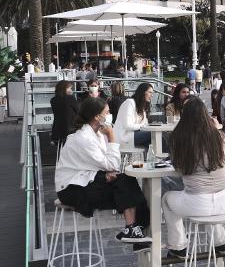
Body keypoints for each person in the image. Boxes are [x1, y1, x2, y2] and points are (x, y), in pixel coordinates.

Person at [55, 98, 150, 243]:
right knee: (126, 186)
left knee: (126, 184)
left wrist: (106, 174)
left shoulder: (95, 134)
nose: (109, 115)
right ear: (97, 117)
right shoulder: (84, 138)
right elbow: (112, 164)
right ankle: (136, 227)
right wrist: (112, 136)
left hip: (86, 180)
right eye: (107, 112)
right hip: (71, 189)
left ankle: (133, 228)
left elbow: (107, 165)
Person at [162, 97, 225, 258]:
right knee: (209, 209)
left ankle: (178, 245)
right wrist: (217, 129)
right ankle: (221, 242)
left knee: (167, 198)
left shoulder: (178, 138)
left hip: (198, 202)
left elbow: (180, 168)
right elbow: (224, 159)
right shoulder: (219, 136)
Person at [113, 83, 153, 148]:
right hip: (124, 136)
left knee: (152, 142)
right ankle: (167, 157)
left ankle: (153, 158)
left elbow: (146, 123)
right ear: (142, 92)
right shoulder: (130, 102)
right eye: (150, 92)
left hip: (133, 135)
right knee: (153, 135)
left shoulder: (142, 107)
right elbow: (128, 126)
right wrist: (142, 126)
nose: (152, 95)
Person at [51, 80, 79, 145]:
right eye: (69, 88)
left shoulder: (53, 100)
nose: (71, 90)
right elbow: (78, 110)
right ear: (64, 89)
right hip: (71, 128)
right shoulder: (70, 98)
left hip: (58, 128)